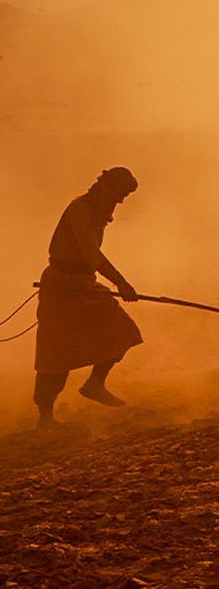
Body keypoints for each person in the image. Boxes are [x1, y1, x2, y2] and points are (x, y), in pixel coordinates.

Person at [34, 167, 143, 428]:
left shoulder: (97, 213)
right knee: (56, 355)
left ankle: (95, 384)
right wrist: (122, 283)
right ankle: (45, 417)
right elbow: (91, 255)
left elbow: (89, 261)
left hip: (84, 285)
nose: (120, 201)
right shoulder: (79, 211)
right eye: (120, 194)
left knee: (122, 330)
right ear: (106, 187)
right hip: (61, 287)